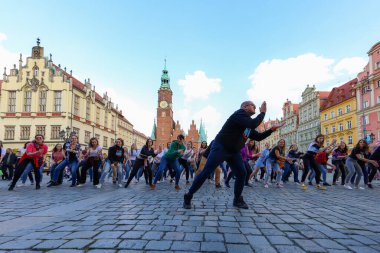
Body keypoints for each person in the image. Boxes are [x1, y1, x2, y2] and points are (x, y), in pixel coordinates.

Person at [183, 101, 281, 209]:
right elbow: (253, 123)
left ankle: (237, 199)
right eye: (252, 105)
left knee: (242, 173)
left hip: (234, 152)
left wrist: (271, 130)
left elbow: (258, 137)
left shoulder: (247, 126)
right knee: (207, 171)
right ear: (245, 107)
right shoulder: (239, 114)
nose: (255, 107)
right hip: (221, 147)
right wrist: (263, 113)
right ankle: (188, 195)